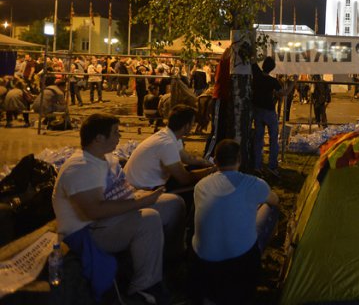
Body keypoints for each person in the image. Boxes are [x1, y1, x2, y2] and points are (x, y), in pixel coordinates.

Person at [51, 114, 168, 303]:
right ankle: (144, 286)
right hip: (89, 230)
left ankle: (168, 258)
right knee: (149, 218)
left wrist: (140, 196)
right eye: (115, 132)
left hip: (108, 219)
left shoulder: (107, 158)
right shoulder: (80, 167)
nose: (119, 136)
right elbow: (94, 211)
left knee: (171, 203)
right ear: (99, 138)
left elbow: (122, 188)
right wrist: (140, 203)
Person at [189, 139, 279, 304]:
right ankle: (260, 262)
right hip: (240, 260)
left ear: (215, 161)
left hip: (203, 262)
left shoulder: (200, 186)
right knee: (270, 208)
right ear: (239, 159)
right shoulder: (254, 184)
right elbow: (275, 200)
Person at [124, 105, 216, 256]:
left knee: (195, 173)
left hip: (145, 181)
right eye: (192, 123)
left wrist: (206, 163)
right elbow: (184, 178)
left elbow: (187, 158)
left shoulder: (169, 135)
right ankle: (179, 244)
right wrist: (210, 172)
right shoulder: (166, 144)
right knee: (199, 188)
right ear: (187, 125)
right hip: (144, 190)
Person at [252, 56, 294, 176]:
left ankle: (257, 165)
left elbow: (252, 60)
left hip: (257, 110)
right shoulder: (272, 81)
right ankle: (272, 165)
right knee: (273, 139)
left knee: (258, 139)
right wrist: (293, 83)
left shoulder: (256, 74)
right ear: (272, 69)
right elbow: (283, 93)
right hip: (269, 112)